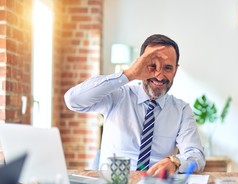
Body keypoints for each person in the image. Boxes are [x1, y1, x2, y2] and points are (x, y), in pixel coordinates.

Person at [64, 34, 205, 176]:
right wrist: (130, 74)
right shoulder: (118, 95)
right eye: (152, 66)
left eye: (168, 68)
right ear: (141, 64)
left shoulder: (181, 110)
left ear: (175, 69)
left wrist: (176, 162)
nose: (159, 75)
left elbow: (196, 155)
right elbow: (73, 100)